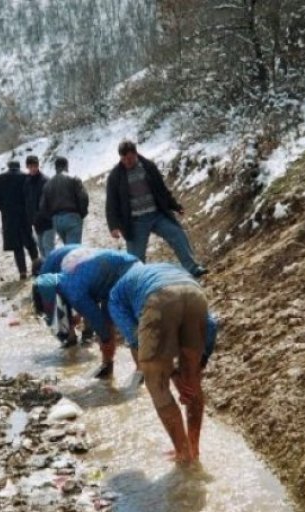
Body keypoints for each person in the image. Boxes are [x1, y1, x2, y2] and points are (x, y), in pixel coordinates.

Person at [108, 263, 218, 462]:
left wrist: (169, 373)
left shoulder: (115, 297)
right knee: (192, 380)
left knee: (156, 382)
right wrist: (198, 363)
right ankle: (194, 447)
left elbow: (136, 340)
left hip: (159, 299)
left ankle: (183, 454)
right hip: (195, 293)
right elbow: (211, 324)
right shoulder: (161, 270)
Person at [105, 140, 207, 279]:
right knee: (135, 258)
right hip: (135, 221)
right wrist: (113, 226)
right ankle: (137, 281)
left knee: (177, 235)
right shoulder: (115, 176)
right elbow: (111, 203)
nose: (127, 162)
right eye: (123, 159)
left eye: (129, 158)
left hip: (157, 214)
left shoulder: (148, 166)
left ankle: (192, 268)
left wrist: (175, 206)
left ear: (135, 154)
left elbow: (162, 190)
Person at [32, 247, 139, 379]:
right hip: (118, 271)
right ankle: (108, 365)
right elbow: (90, 290)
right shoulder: (65, 277)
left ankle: (141, 371)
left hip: (128, 272)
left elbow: (98, 322)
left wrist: (105, 341)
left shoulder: (74, 293)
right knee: (108, 322)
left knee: (127, 326)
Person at [0, 159, 38, 279]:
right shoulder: (25, 177)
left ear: (8, 167)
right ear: (19, 167)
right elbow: (30, 195)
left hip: (9, 216)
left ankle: (22, 271)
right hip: (24, 214)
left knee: (17, 245)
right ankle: (36, 265)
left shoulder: (0, 178)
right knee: (30, 241)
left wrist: (2, 207)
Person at [39, 156, 88, 246]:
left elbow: (42, 207)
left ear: (55, 168)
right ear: (66, 165)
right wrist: (81, 214)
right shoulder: (74, 178)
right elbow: (83, 197)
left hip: (57, 220)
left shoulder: (48, 184)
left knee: (68, 248)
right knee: (74, 250)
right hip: (72, 216)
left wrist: (52, 218)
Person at [24, 155, 53, 258]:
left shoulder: (45, 180)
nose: (32, 168)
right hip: (36, 222)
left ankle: (51, 271)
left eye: (34, 166)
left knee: (48, 247)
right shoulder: (27, 182)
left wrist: (46, 215)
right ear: (27, 167)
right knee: (41, 247)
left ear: (38, 166)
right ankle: (47, 270)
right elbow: (27, 201)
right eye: (30, 166)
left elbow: (50, 200)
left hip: (47, 221)